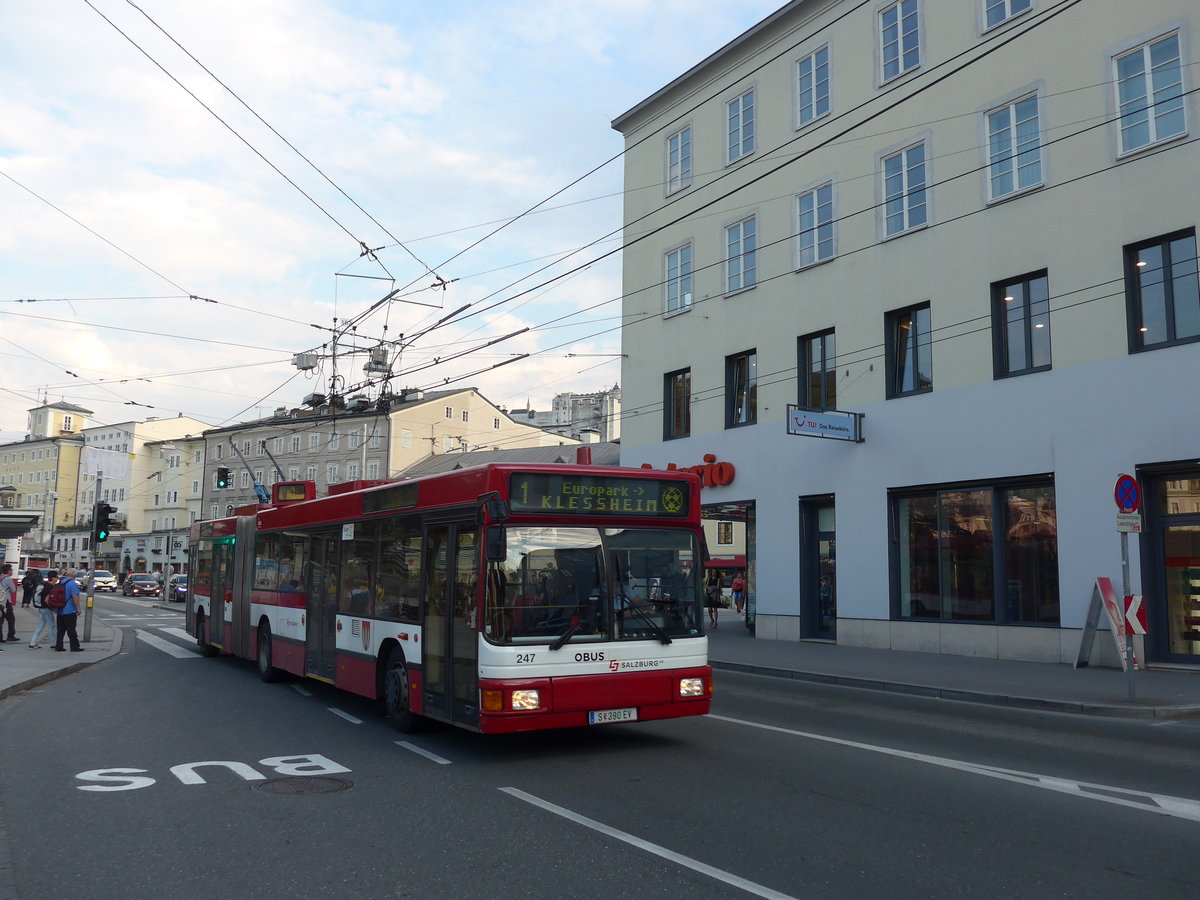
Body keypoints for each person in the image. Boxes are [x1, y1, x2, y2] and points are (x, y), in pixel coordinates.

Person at [53, 567, 84, 653]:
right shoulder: (73, 584)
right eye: (76, 574)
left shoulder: (62, 582)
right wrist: (78, 608)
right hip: (69, 610)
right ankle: (74, 646)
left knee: (60, 630)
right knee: (71, 630)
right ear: (74, 575)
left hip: (60, 610)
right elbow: (75, 597)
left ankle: (58, 646)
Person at [28, 571, 59, 649]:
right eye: (56, 577)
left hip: (41, 608)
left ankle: (33, 643)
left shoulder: (44, 585)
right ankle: (54, 643)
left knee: (40, 626)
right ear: (53, 578)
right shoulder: (50, 586)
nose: (57, 578)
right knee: (52, 626)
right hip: (47, 609)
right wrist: (52, 608)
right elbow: (47, 599)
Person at [1, 564, 17, 643]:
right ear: (8, 571)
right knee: (11, 619)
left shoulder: (1, 577)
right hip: (6, 600)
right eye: (11, 570)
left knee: (1, 620)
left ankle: (0, 637)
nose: (12, 571)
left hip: (1, 600)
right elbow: (13, 590)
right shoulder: (8, 579)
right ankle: (11, 635)